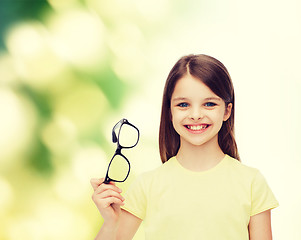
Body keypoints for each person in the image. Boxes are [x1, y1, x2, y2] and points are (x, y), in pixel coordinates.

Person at [90, 54, 279, 240]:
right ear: (170, 111)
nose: (196, 115)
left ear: (227, 111)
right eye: (183, 104)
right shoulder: (146, 186)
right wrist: (110, 223)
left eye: (209, 104)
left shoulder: (252, 183)